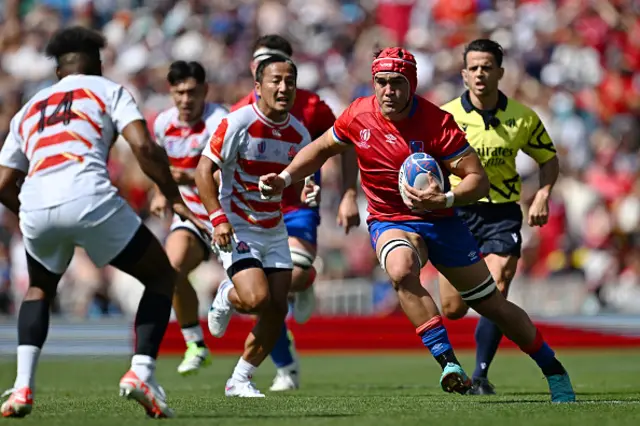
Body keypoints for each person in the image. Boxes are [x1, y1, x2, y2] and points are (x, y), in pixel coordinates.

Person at [259, 47, 576, 402]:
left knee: (492, 305)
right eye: (381, 82)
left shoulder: (437, 122)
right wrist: (285, 178)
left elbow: (478, 180)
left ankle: (554, 370)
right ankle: (449, 364)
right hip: (389, 218)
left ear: (411, 83)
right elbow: (319, 149)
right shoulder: (358, 115)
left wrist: (446, 200)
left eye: (397, 83)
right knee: (400, 268)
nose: (388, 91)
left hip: (442, 219)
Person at [0, 27, 208, 418]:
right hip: (89, 193)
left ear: (59, 69)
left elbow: (2, 182)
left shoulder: (29, 107)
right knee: (162, 276)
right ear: (96, 62)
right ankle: (142, 371)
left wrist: (30, 211)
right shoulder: (106, 89)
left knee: (39, 290)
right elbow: (144, 147)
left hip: (36, 204)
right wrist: (174, 196)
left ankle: (22, 387)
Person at [230, 34, 360, 391]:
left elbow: (345, 143)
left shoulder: (313, 106)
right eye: (260, 62)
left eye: (277, 63)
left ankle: (303, 285)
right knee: (263, 298)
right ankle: (285, 367)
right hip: (254, 215)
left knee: (294, 278)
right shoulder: (239, 113)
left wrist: (349, 192)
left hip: (298, 206)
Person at [438, 39, 561, 395]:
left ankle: (480, 375)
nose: (480, 73)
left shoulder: (522, 117)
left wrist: (542, 194)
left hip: (502, 213)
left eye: (487, 67)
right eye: (473, 67)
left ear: (500, 73)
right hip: (457, 212)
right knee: (454, 308)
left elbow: (548, 159)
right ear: (463, 74)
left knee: (497, 287)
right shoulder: (446, 117)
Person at [195, 54, 312, 397]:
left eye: (289, 81)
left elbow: (301, 177)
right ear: (258, 87)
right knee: (256, 298)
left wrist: (308, 187)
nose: (283, 87)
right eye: (276, 80)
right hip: (237, 226)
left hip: (274, 229)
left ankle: (239, 380)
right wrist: (217, 218)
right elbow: (204, 171)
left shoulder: (299, 133)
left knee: (277, 308)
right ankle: (226, 295)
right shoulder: (238, 122)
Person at [150, 60, 227, 376]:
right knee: (170, 270)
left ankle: (282, 359)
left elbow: (229, 175)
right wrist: (159, 192)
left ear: (205, 91)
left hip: (227, 216)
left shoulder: (220, 121)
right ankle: (195, 344)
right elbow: (157, 164)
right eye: (179, 92)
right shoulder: (162, 124)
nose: (186, 99)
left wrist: (191, 177)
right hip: (192, 217)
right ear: (171, 92)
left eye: (192, 92)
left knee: (257, 297)